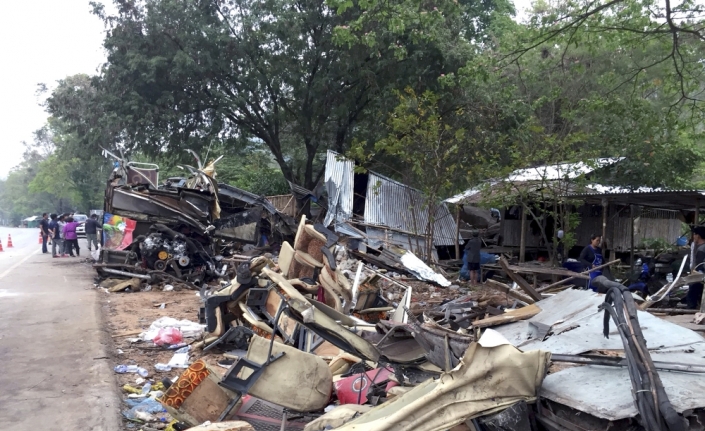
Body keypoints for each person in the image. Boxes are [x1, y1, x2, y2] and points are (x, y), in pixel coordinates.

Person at [685, 226, 705, 309]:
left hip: (700, 275)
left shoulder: (701, 249)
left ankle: (691, 309)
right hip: (700, 274)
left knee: (693, 291)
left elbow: (700, 264)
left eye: (694, 234)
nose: (693, 237)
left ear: (698, 236)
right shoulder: (698, 247)